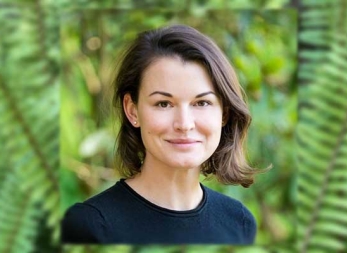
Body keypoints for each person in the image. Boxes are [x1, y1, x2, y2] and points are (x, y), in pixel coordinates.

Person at [61, 24, 261, 244]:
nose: (184, 124)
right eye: (164, 104)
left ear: (225, 113)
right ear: (132, 110)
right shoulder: (88, 225)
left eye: (202, 102)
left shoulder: (239, 223)